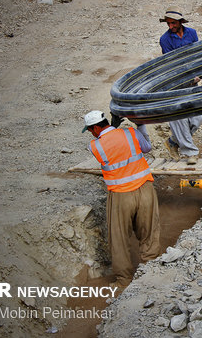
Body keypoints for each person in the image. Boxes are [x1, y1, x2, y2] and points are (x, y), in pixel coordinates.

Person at [82, 110, 160, 288]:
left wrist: (112, 127)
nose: (90, 133)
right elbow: (146, 147)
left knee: (119, 239)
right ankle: (151, 272)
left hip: (120, 196)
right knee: (149, 232)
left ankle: (123, 280)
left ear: (95, 128)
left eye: (90, 130)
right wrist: (138, 124)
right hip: (145, 189)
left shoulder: (95, 146)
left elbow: (108, 144)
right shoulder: (131, 133)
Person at [159, 6, 202, 165]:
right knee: (179, 118)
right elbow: (173, 64)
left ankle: (173, 142)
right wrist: (189, 78)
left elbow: (197, 55)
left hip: (193, 81)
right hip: (175, 83)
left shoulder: (191, 33)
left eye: (172, 23)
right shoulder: (165, 40)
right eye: (168, 24)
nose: (170, 26)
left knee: (196, 117)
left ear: (180, 22)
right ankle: (190, 153)